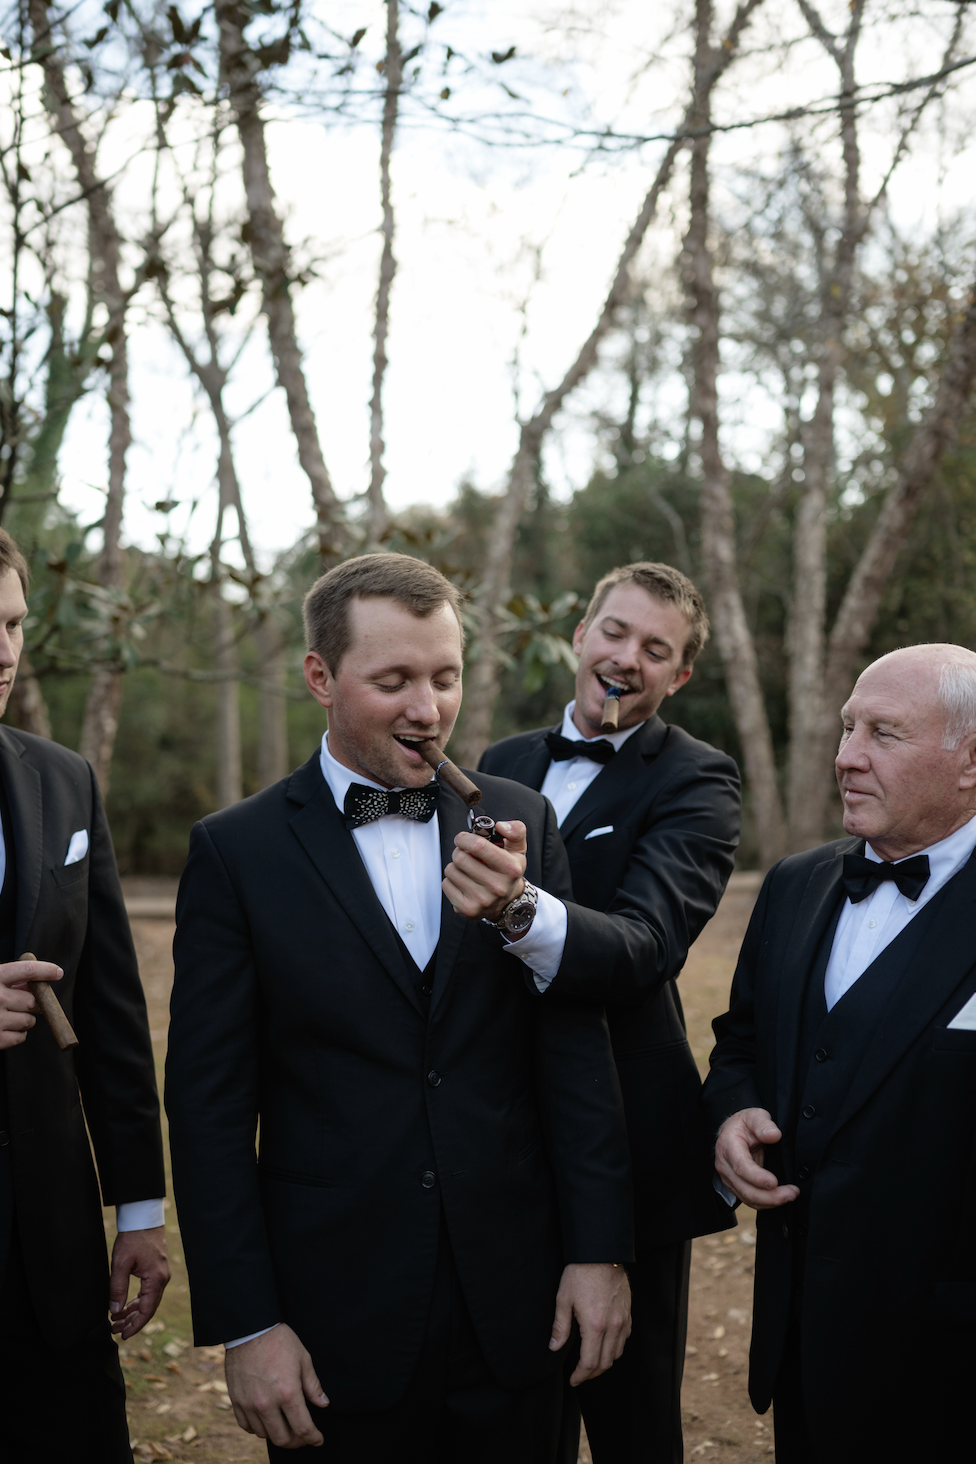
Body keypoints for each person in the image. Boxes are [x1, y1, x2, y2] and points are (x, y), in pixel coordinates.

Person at [166, 552, 635, 1462]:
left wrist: (598, 1251)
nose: (428, 708)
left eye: (445, 676)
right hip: (335, 1321)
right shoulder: (237, 853)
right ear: (320, 678)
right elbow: (210, 1107)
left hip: (519, 1307)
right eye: (394, 681)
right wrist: (247, 1323)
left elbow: (573, 1055)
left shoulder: (520, 820)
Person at [480, 561, 741, 1464]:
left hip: (630, 1145)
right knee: (513, 1409)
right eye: (617, 632)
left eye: (656, 650)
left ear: (680, 676)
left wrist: (518, 908)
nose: (628, 658)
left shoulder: (699, 781)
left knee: (631, 1422)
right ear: (582, 635)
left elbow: (643, 948)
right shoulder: (499, 765)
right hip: (500, 1137)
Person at [704, 643, 976, 1462]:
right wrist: (732, 1112)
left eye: (883, 733)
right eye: (847, 727)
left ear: (971, 761)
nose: (845, 757)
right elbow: (740, 1041)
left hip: (949, 1367)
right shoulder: (795, 884)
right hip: (802, 1348)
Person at [0, 528, 169, 1463]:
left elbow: (110, 1013)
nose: (3, 652)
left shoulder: (63, 780)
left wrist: (137, 1210)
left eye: (15, 623)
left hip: (52, 1254)